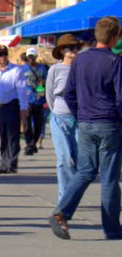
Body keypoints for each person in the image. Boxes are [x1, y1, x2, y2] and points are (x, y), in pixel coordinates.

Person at [49, 17, 122, 240]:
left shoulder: (80, 60)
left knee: (85, 171)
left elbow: (69, 93)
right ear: (114, 37)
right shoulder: (115, 61)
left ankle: (61, 212)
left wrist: (80, 113)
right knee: (109, 177)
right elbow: (120, 98)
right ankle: (111, 228)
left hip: (86, 122)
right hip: (109, 122)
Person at [46, 34, 82, 205]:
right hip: (59, 117)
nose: (73, 51)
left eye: (75, 47)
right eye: (69, 47)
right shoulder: (55, 69)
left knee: (80, 160)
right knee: (64, 158)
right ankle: (64, 198)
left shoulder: (81, 68)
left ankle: (73, 193)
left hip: (78, 119)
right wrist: (56, 112)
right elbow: (49, 94)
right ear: (62, 50)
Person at [0, 45, 28, 174]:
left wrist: (24, 107)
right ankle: (3, 163)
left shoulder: (16, 70)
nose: (2, 58)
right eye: (0, 55)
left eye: (4, 55)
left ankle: (12, 163)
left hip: (11, 105)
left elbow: (22, 90)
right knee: (3, 136)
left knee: (13, 135)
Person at [21, 46, 48, 155]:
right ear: (27, 58)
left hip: (39, 99)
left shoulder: (42, 68)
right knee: (27, 125)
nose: (31, 59)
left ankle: (33, 143)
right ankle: (29, 144)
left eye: (33, 57)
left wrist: (43, 84)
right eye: (29, 57)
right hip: (27, 100)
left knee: (38, 125)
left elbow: (46, 81)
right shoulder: (23, 69)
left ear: (36, 57)